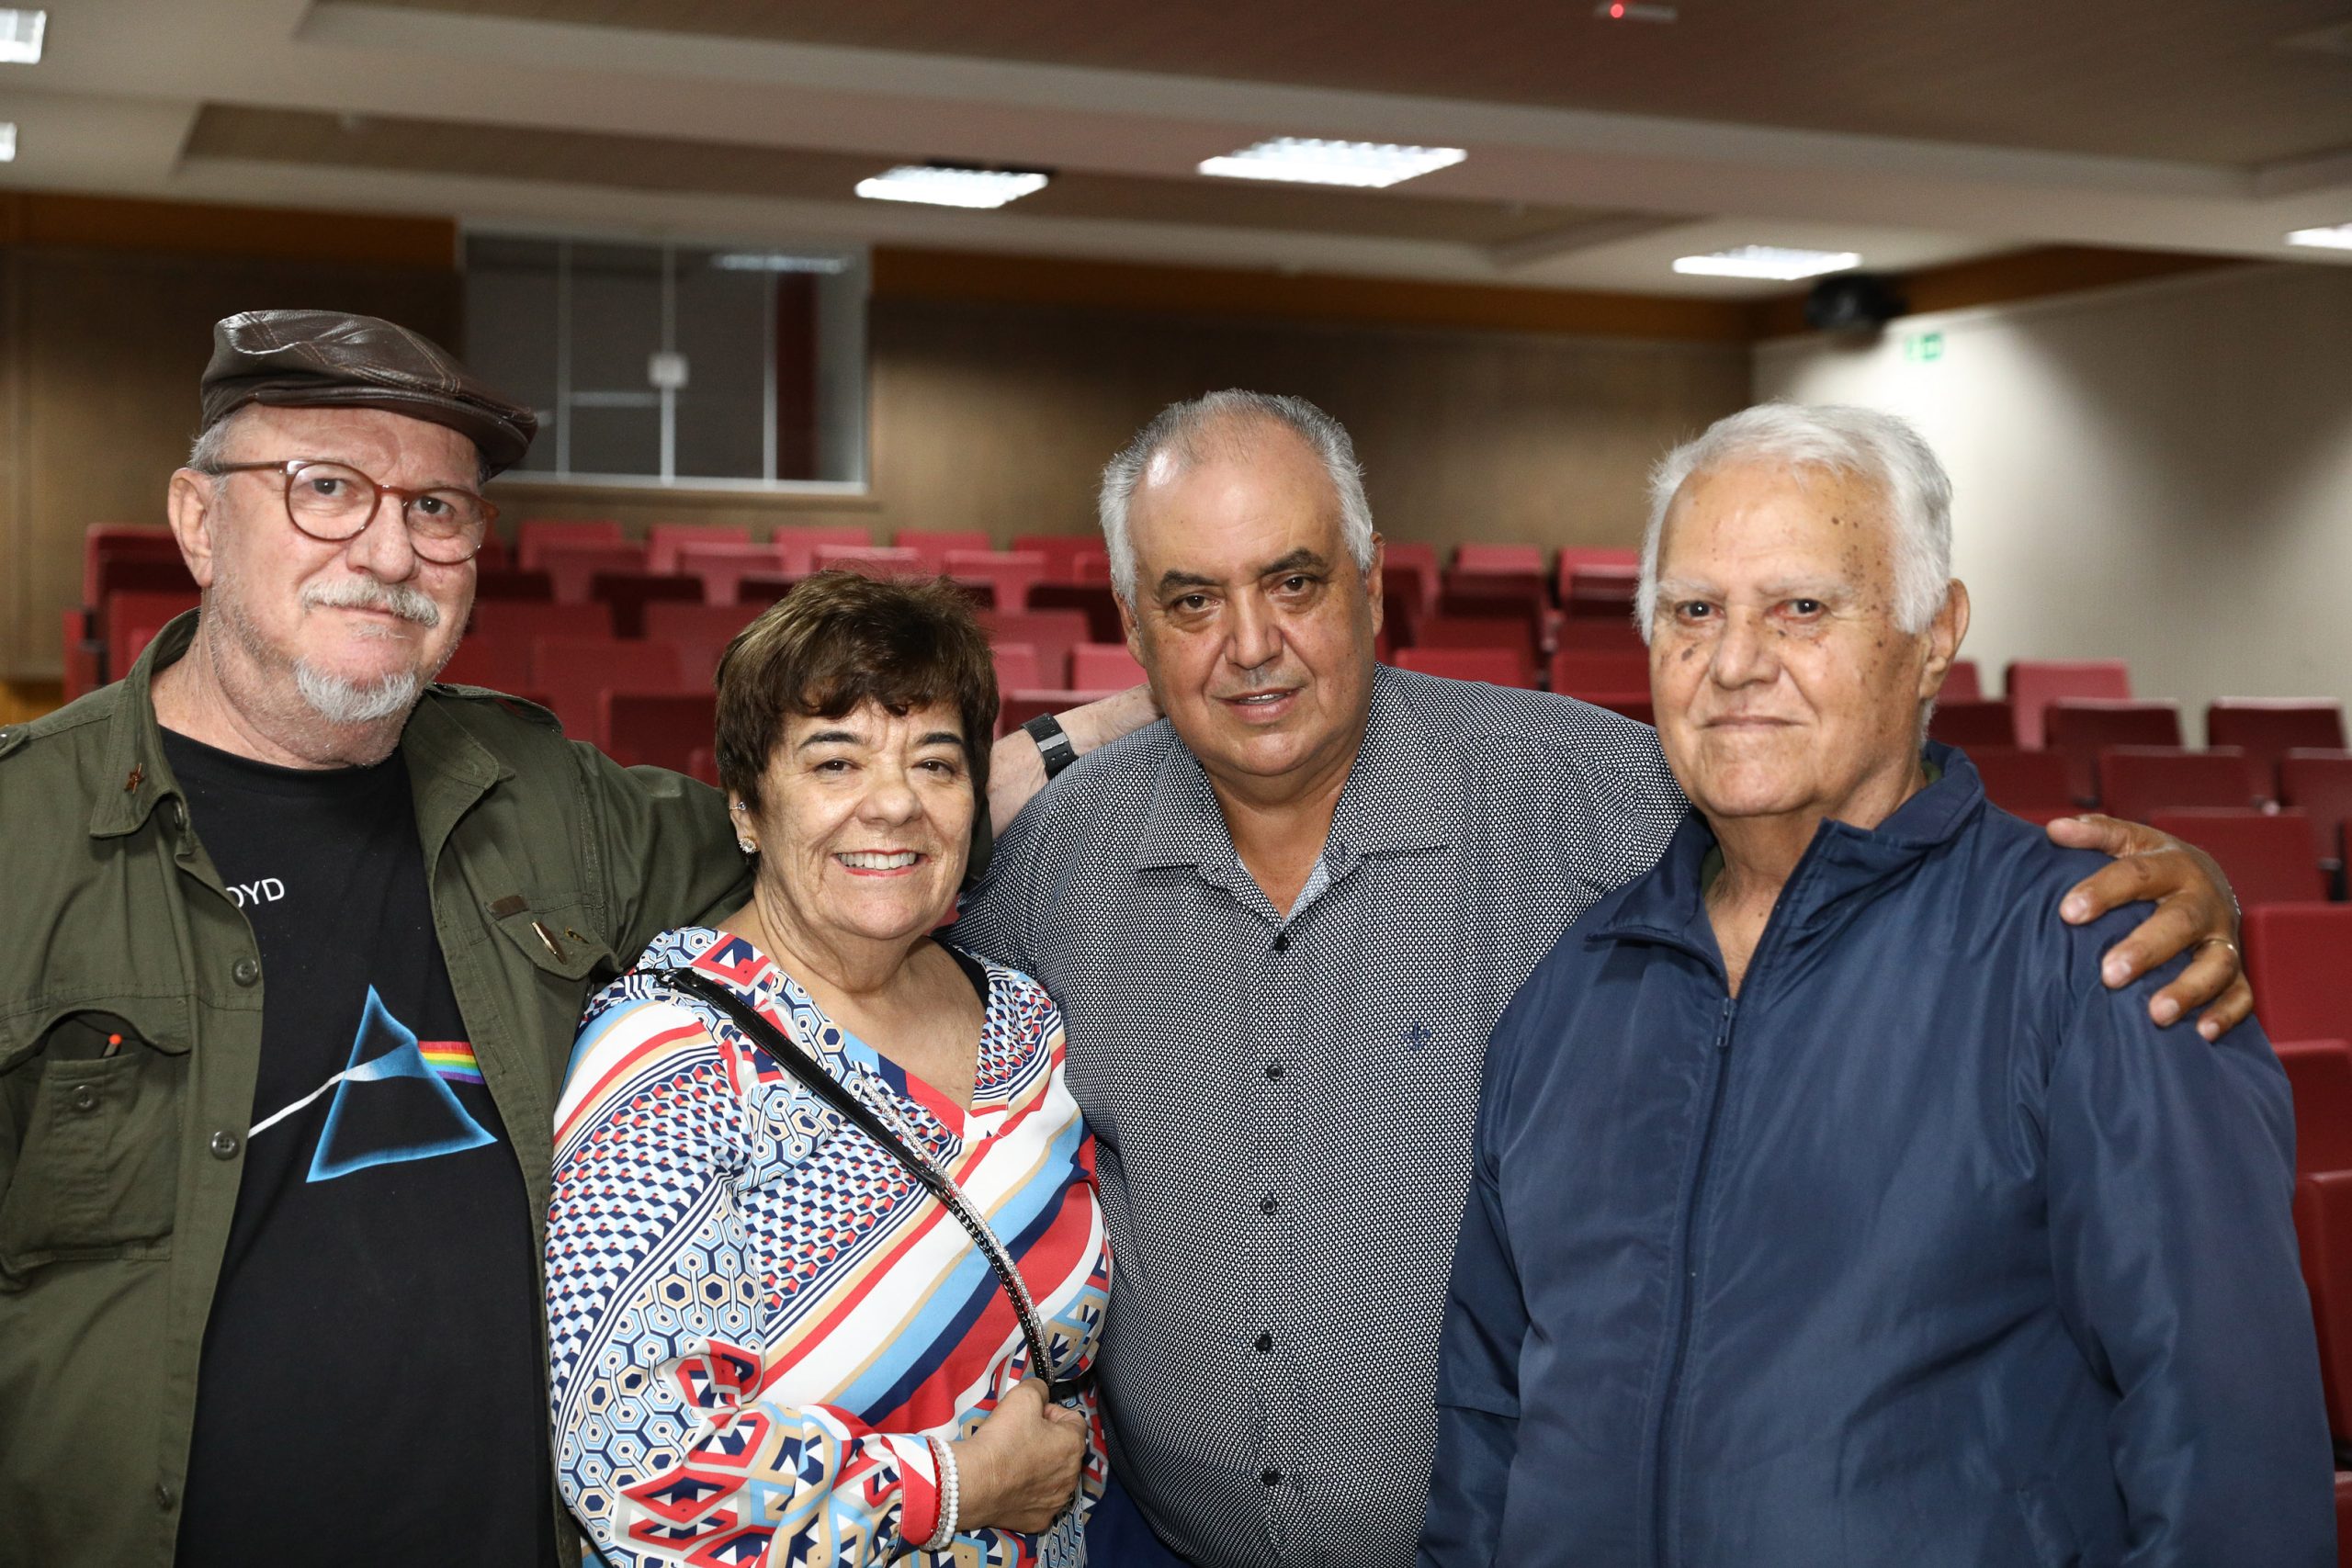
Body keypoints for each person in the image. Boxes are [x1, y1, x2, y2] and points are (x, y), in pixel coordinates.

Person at [948, 389, 2255, 1568]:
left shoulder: (1596, 800)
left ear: (1370, 581)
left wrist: (2165, 889)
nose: (1250, 642)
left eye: (1293, 580)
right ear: (1132, 622)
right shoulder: (1057, 867)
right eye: (1191, 600)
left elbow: (1832, 817)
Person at [0, 310, 1135, 1568]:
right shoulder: (23, 839)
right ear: (198, 519)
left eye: (438, 508)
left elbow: (855, 830)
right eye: (326, 489)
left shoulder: (541, 796)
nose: (388, 548)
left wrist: (1169, 705)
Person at [1419, 403, 2333, 1566]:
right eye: (1693, 611)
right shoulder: (1574, 988)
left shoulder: (2096, 957)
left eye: (1801, 608)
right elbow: (1488, 1431)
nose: (1735, 663)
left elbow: (2226, 1460)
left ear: (1935, 634)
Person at [546, 573, 1107, 1566]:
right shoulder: (669, 1053)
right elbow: (641, 1477)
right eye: (834, 762)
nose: (892, 805)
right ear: (748, 808)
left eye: (936, 764)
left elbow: (1066, 1370)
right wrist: (959, 1486)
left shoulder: (1025, 1025)